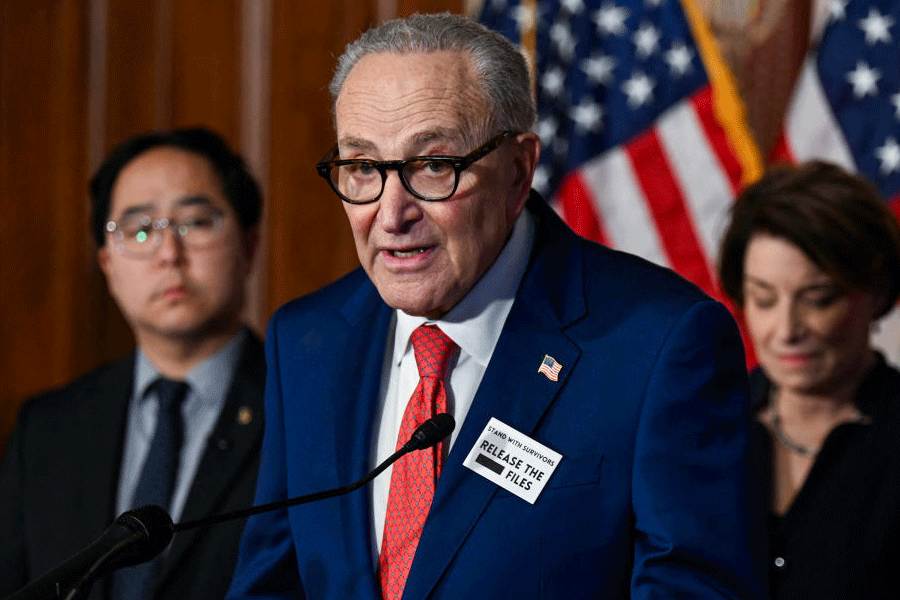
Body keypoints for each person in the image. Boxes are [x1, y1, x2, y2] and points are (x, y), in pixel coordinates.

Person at [227, 13, 762, 600]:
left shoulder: (658, 344)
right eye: (362, 168)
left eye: (434, 166)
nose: (391, 213)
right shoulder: (308, 339)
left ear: (518, 170)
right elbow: (272, 584)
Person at [0, 127, 266, 600]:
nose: (169, 254)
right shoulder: (46, 430)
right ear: (107, 263)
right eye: (140, 230)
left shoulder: (300, 410)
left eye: (197, 223)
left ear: (248, 244)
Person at [718, 160, 900, 599]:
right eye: (763, 299)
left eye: (817, 299)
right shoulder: (703, 423)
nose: (786, 331)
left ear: (874, 293)